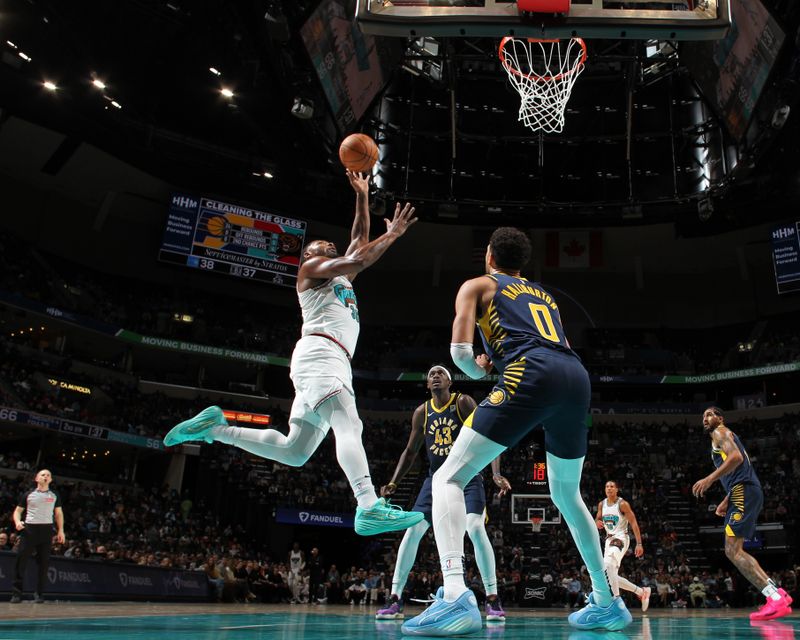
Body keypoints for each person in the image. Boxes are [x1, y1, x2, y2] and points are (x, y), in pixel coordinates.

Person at [163, 171, 423, 536]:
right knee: (348, 423)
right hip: (322, 354)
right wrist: (393, 233)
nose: (329, 248)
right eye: (322, 246)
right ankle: (368, 506)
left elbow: (358, 241)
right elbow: (359, 258)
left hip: (322, 359)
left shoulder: (339, 279)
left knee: (295, 452)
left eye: (331, 248)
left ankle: (216, 428)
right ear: (310, 256)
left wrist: (361, 195)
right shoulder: (311, 269)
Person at [402, 227, 631, 636]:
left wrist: (479, 370)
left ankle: (454, 593)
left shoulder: (476, 285)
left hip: (532, 371)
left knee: (447, 477)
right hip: (575, 376)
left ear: (488, 255)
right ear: (521, 263)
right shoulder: (545, 296)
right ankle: (605, 600)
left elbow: (459, 355)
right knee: (566, 494)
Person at [376, 365, 511, 622]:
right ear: (427, 385)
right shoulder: (422, 412)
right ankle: (395, 598)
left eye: (440, 373)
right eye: (431, 375)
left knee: (474, 528)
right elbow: (410, 451)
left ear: (450, 381)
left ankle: (492, 598)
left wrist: (495, 473)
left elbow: (488, 437)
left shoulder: (463, 402)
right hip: (435, 479)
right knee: (413, 529)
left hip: (467, 475)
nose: (435, 376)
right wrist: (393, 482)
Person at [692, 407, 793, 620]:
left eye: (710, 414)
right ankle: (777, 595)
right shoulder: (724, 435)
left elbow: (737, 458)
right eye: (703, 416)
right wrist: (726, 500)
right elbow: (742, 468)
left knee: (733, 550)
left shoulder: (720, 432)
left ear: (720, 418)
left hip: (744, 490)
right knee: (734, 550)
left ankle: (775, 598)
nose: (705, 418)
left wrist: (709, 479)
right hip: (743, 490)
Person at [595, 480, 651, 612]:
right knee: (609, 575)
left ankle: (616, 602)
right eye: (607, 486)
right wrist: (597, 521)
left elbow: (634, 523)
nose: (609, 489)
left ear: (617, 489)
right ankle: (642, 592)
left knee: (608, 565)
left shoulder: (623, 504)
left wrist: (639, 543)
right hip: (609, 541)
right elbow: (597, 518)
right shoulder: (601, 504)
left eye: (612, 486)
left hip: (621, 538)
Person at [11, 469, 65, 603]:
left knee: (44, 564)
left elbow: (58, 514)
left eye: (48, 475)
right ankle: (16, 594)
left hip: (46, 531)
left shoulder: (55, 495)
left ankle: (39, 594)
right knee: (21, 561)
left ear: (51, 480)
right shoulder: (28, 494)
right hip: (29, 530)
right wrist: (18, 522)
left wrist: (61, 530)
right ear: (36, 478)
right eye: (43, 475)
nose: (46, 476)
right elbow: (17, 511)